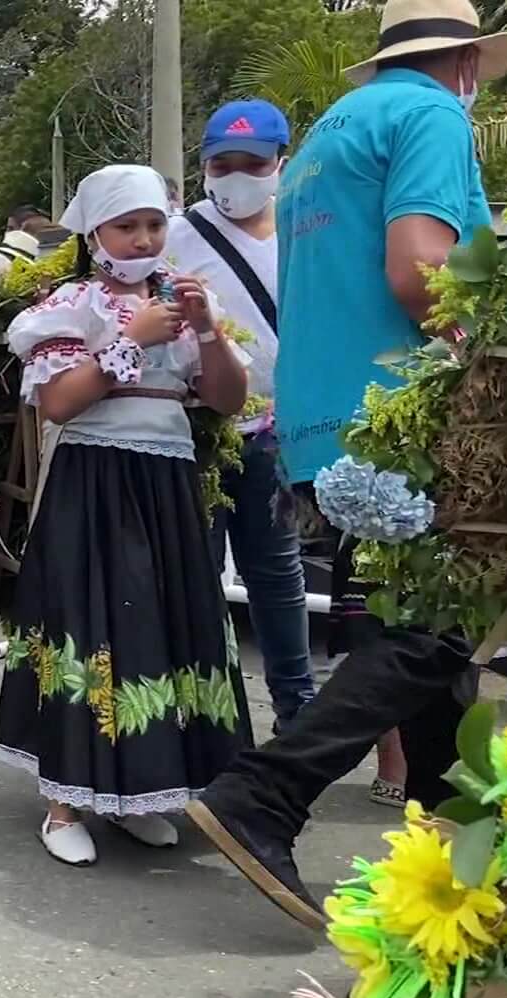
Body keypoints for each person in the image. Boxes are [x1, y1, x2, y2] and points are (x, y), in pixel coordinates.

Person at [186, 0, 507, 929]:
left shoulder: (335, 129)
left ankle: (453, 867)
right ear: (462, 65)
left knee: (411, 644)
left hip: (321, 429)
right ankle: (265, 794)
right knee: (443, 637)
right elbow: (422, 271)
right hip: (401, 420)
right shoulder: (435, 116)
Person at [0, 165, 253, 868]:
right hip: (94, 479)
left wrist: (206, 332)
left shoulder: (184, 301)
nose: (142, 239)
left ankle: (140, 793)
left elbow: (226, 400)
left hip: (165, 482)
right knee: (91, 623)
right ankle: (62, 804)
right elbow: (58, 404)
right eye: (126, 226)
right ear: (95, 233)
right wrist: (130, 338)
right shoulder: (71, 303)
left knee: (159, 628)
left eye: (153, 225)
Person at [165, 101, 321, 740]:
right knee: (195, 576)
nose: (235, 176)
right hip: (196, 430)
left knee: (275, 574)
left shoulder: (305, 232)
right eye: (220, 164)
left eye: (251, 163)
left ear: (280, 164)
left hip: (272, 434)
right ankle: (204, 718)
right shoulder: (176, 235)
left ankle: (297, 710)